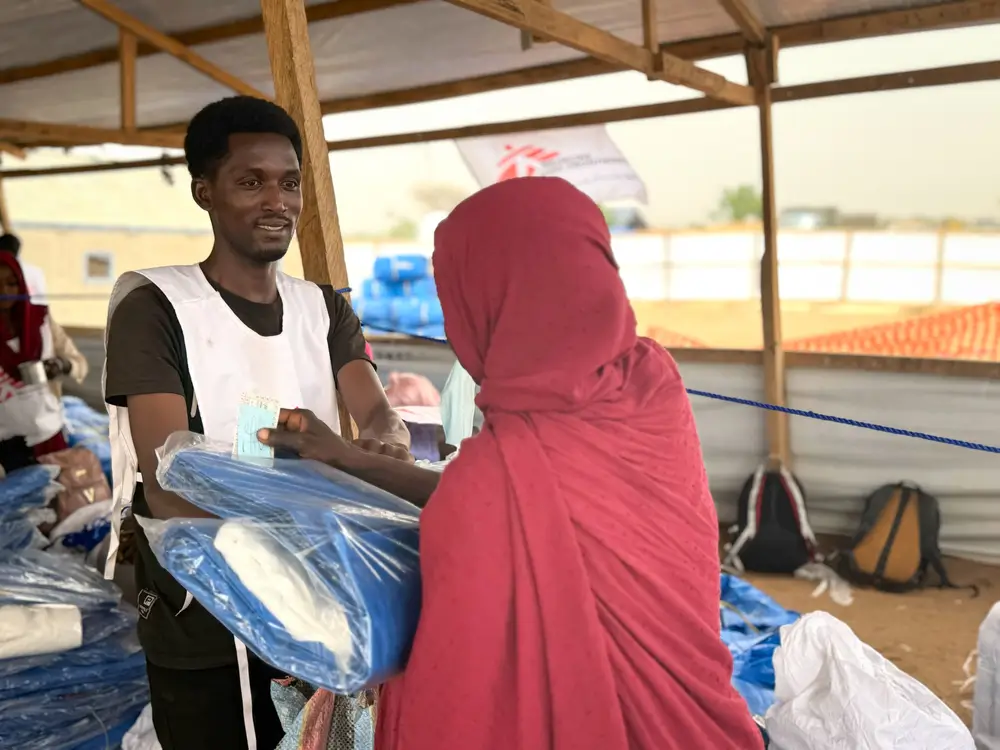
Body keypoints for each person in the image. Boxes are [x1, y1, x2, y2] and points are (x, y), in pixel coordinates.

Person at [260, 177, 765, 750]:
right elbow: (513, 495)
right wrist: (349, 458)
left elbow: (455, 692)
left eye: (456, 300)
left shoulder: (500, 468)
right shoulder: (650, 383)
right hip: (697, 726)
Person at [103, 95, 411, 750]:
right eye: (252, 181)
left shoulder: (322, 308)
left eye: (290, 182)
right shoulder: (156, 305)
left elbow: (373, 407)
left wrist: (387, 436)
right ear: (204, 191)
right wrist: (314, 519)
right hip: (211, 613)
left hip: (327, 601)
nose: (279, 201)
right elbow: (168, 480)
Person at [0, 253, 86, 472]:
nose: (5, 292)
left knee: (60, 498)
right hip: (6, 443)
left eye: (12, 283)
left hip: (49, 432)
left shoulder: (42, 322)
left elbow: (78, 363)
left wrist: (60, 365)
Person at [0, 233, 48, 302]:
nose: (4, 291)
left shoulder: (32, 272)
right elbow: (42, 300)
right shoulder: (35, 272)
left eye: (11, 283)